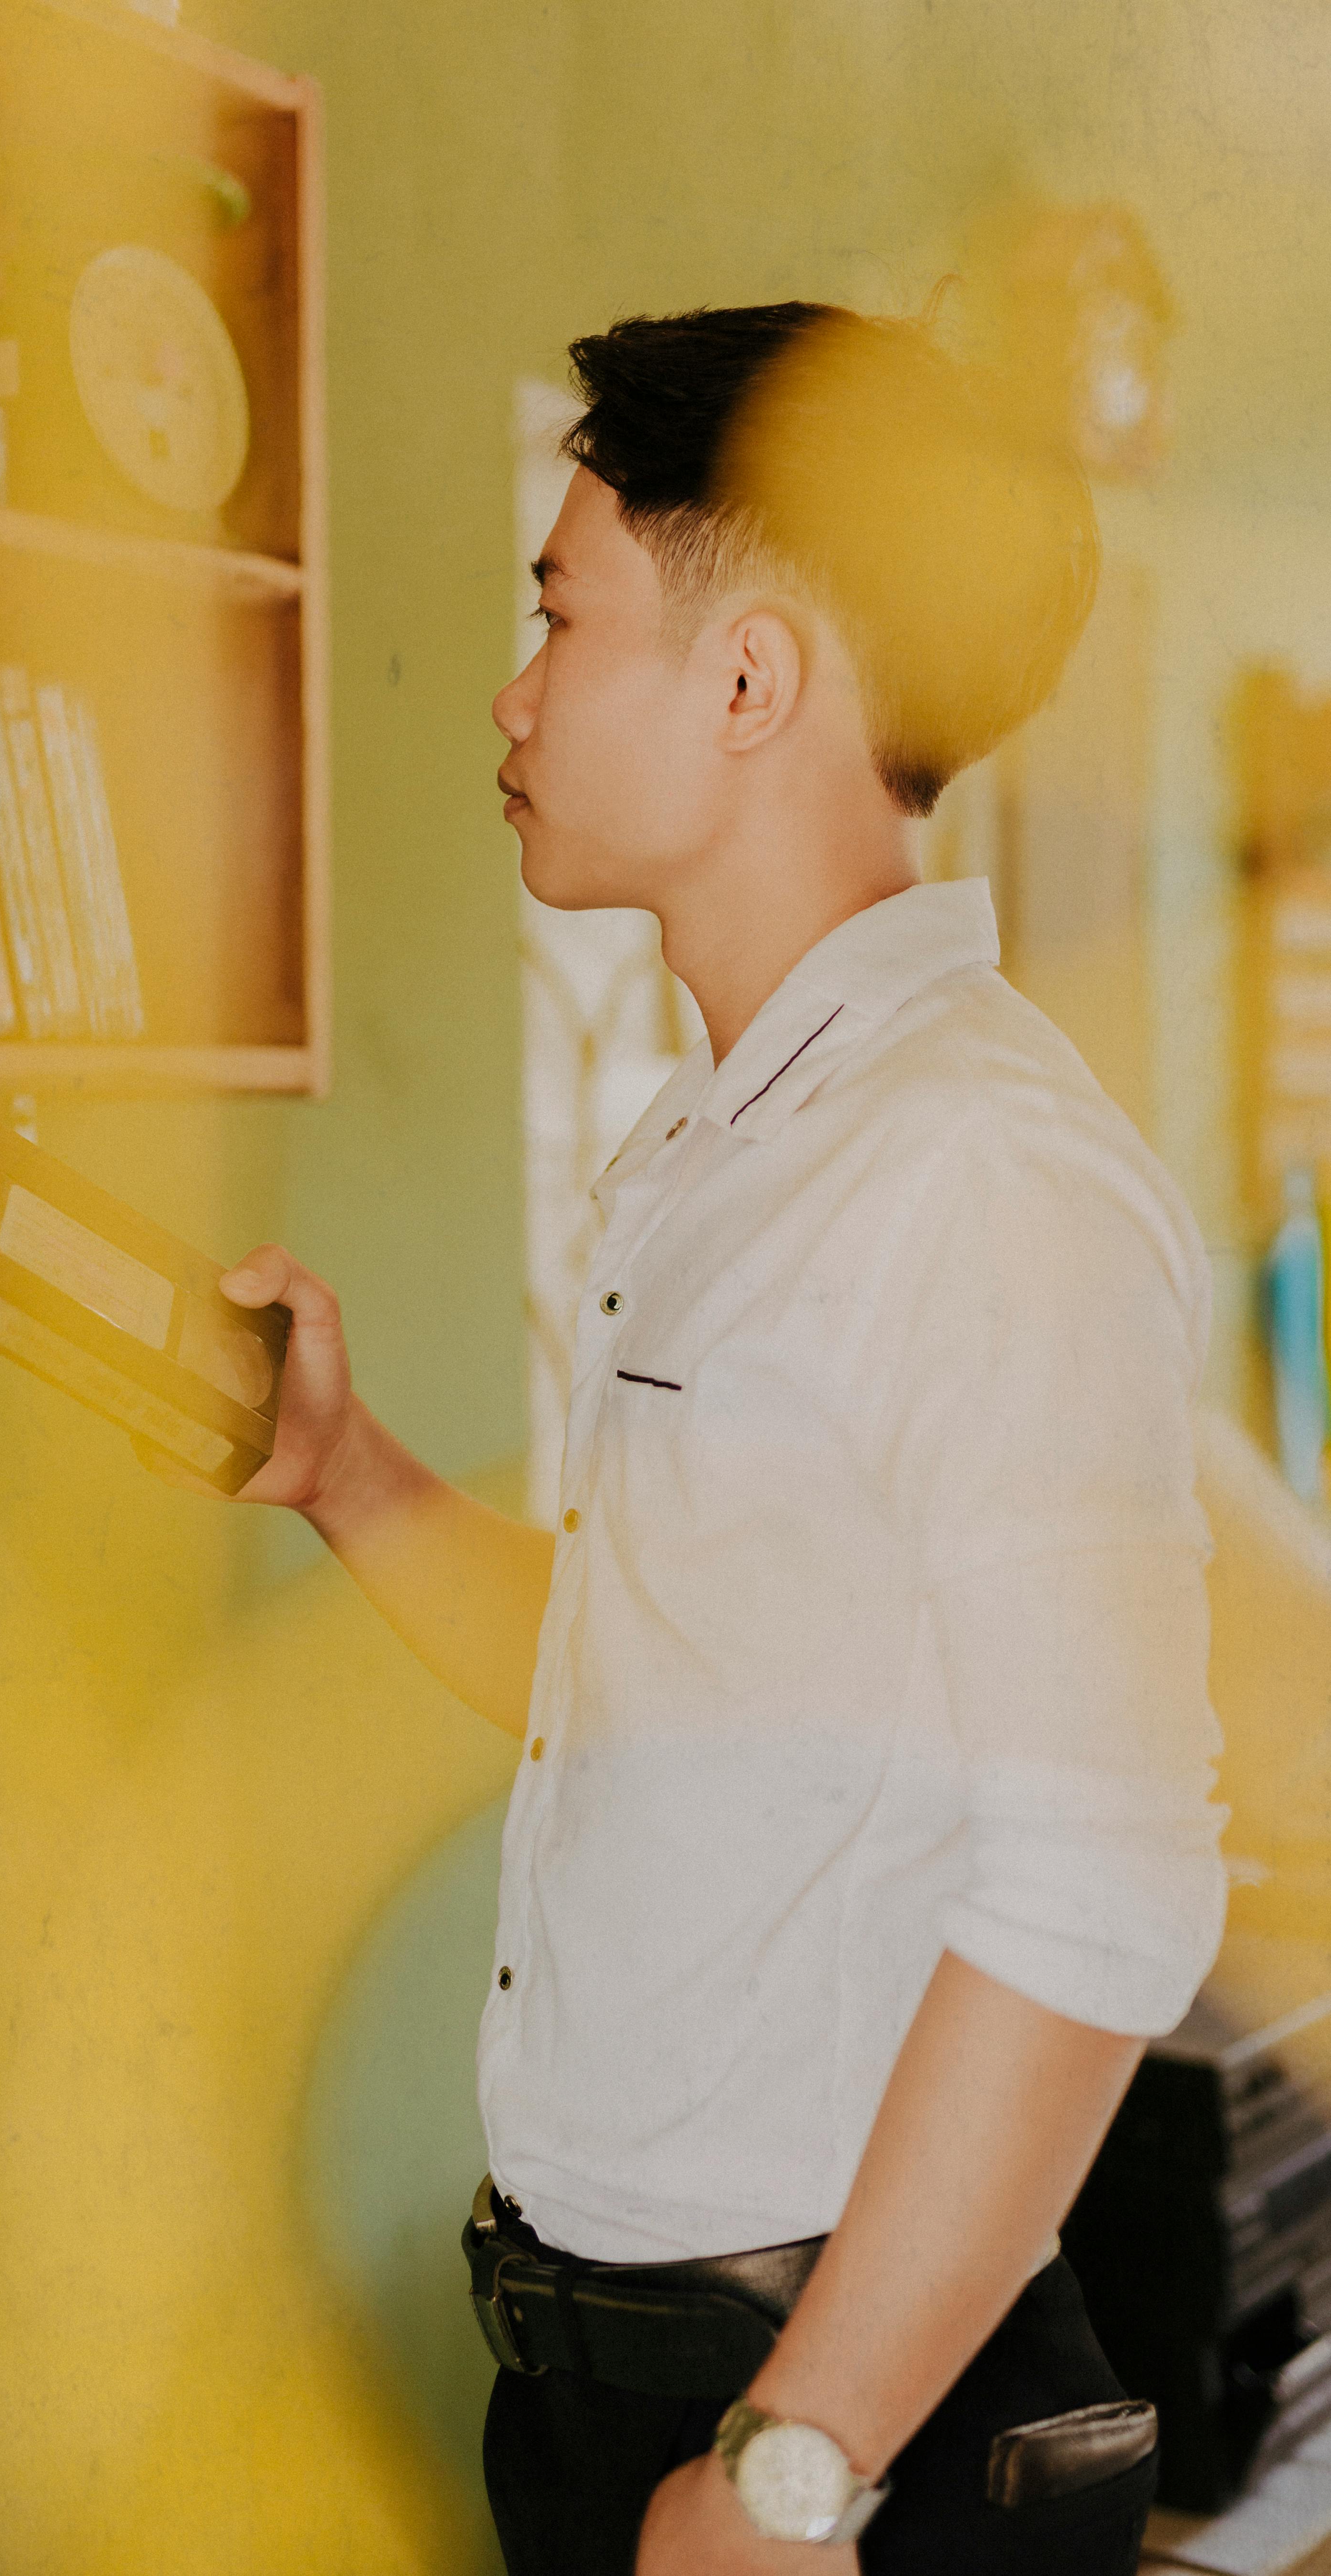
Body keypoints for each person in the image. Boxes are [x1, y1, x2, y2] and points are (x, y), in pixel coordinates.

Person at [143, 304, 1229, 2573]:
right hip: (614, 2388)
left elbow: (1104, 1887)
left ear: (750, 685)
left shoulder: (981, 1178)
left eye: (560, 613)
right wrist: (352, 1473)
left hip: (852, 2431)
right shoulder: (729, 1140)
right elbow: (663, 1671)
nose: (516, 695)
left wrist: (795, 2461)